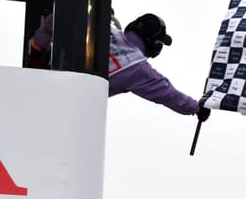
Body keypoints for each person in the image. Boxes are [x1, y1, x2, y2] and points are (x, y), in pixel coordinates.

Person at [27, 12, 208, 121]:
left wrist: (37, 49)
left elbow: (59, 16)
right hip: (65, 106)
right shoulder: (138, 68)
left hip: (44, 80)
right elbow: (169, 94)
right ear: (153, 42)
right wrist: (196, 108)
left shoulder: (103, 27)